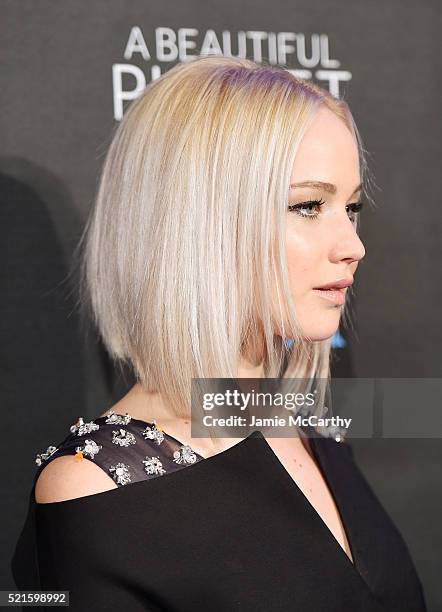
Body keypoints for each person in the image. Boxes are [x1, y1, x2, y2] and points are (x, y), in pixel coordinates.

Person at [11, 55, 427, 611]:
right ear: (197, 222)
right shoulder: (101, 488)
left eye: (350, 208)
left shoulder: (315, 430)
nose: (353, 245)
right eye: (308, 205)